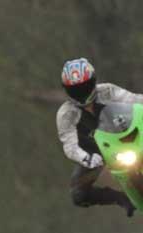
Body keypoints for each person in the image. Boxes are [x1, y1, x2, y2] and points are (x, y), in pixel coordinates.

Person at [57, 57, 143, 216]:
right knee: (78, 194)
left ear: (93, 82)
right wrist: (85, 158)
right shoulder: (65, 114)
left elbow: (135, 99)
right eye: (75, 90)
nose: (81, 93)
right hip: (94, 152)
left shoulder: (108, 91)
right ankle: (122, 199)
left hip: (123, 134)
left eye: (84, 86)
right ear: (66, 90)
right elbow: (69, 145)